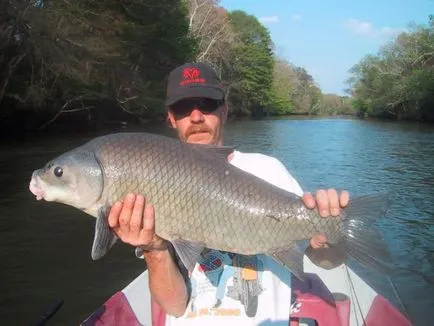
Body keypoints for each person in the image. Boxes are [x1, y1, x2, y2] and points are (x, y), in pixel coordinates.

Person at [107, 62, 350, 325]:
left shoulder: (269, 170)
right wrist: (154, 248)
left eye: (207, 104)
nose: (196, 117)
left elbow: (327, 262)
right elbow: (174, 308)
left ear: (224, 111)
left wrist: (328, 239)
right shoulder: (152, 182)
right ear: (171, 117)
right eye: (183, 108)